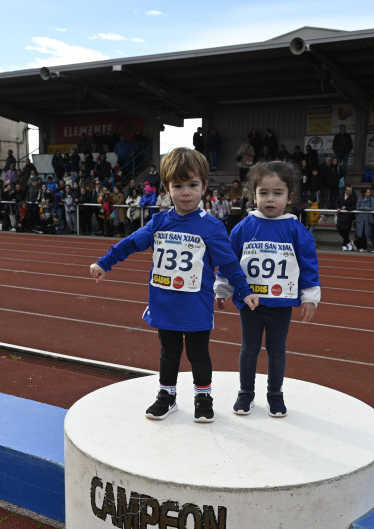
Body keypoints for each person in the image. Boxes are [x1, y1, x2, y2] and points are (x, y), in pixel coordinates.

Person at [89, 148, 260, 423]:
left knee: (198, 354)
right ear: (167, 188)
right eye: (178, 186)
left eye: (192, 185)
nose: (185, 192)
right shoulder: (159, 222)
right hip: (164, 303)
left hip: (195, 306)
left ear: (204, 187)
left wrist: (246, 290)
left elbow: (229, 263)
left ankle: (203, 398)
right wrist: (105, 263)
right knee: (168, 354)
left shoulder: (212, 227)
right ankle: (166, 397)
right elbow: (131, 242)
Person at [214, 160, 320, 418]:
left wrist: (309, 298)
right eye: (264, 193)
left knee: (277, 350)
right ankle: (246, 394)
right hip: (250, 303)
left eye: (277, 193)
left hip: (281, 304)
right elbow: (230, 261)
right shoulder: (243, 227)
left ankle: (275, 394)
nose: (270, 199)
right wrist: (222, 288)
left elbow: (308, 266)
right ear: (253, 195)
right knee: (248, 348)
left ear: (290, 197)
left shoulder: (296, 230)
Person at [336, 184, 357, 251]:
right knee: (339, 227)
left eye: (351, 190)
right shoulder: (341, 195)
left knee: (346, 231)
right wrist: (338, 208)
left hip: (349, 216)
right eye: (348, 191)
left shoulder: (354, 197)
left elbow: (354, 207)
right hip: (341, 215)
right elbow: (337, 202)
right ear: (345, 190)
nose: (350, 192)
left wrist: (346, 207)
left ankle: (344, 245)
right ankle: (349, 242)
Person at [354, 187, 374, 252]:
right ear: (364, 193)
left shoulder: (372, 199)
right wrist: (364, 208)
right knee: (360, 232)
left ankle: (364, 247)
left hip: (368, 218)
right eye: (367, 192)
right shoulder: (360, 198)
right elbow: (357, 207)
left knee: (366, 232)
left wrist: (364, 207)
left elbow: (372, 208)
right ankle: (361, 246)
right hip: (360, 218)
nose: (369, 193)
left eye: (369, 192)